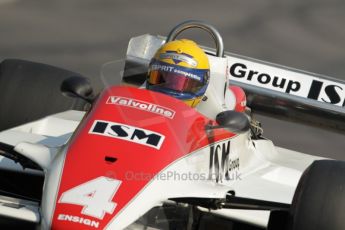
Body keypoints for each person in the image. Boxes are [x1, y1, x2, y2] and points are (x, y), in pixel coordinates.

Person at [146, 39, 247, 113]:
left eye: (180, 83)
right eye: (160, 78)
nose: (169, 90)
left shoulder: (208, 120)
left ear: (200, 85)